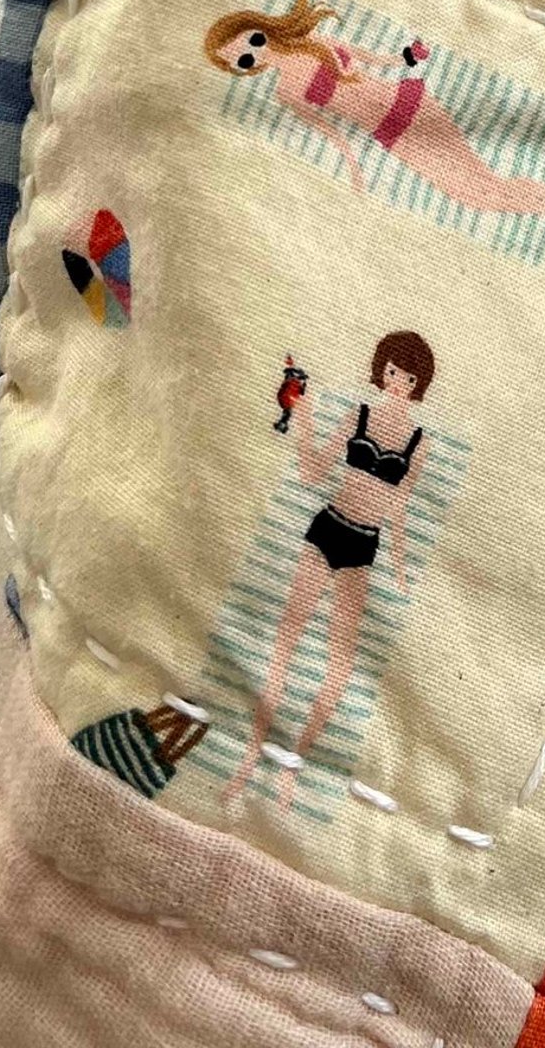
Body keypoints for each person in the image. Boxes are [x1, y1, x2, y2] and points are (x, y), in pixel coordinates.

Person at [223, 331, 435, 810]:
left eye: (408, 376)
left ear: (419, 383)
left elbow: (399, 506)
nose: (398, 382)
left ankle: (293, 766)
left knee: (340, 665)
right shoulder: (358, 414)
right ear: (382, 371)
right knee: (285, 642)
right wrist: (305, 420)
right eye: (392, 371)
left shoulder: (419, 443)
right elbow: (314, 471)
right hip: (327, 529)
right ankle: (250, 753)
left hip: (365, 545)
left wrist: (400, 567)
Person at [203, 0, 545, 224]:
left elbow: (376, 61)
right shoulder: (285, 93)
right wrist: (354, 170)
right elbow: (332, 133)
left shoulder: (317, 45)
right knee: (473, 193)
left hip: (408, 107)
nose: (257, 54)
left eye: (253, 41)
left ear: (261, 28)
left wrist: (409, 56)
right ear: (245, 70)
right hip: (392, 134)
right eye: (244, 60)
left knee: (480, 185)